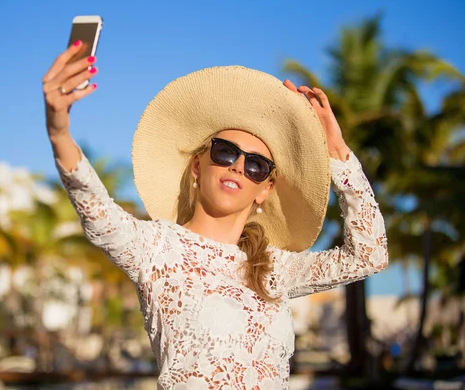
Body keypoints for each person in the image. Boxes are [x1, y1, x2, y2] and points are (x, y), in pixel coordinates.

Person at [42, 42, 389, 390]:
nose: (239, 166)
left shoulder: (274, 268)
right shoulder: (157, 248)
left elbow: (369, 256)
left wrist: (337, 152)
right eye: (225, 152)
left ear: (264, 190)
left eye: (256, 165)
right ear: (197, 165)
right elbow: (98, 211)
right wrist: (59, 132)